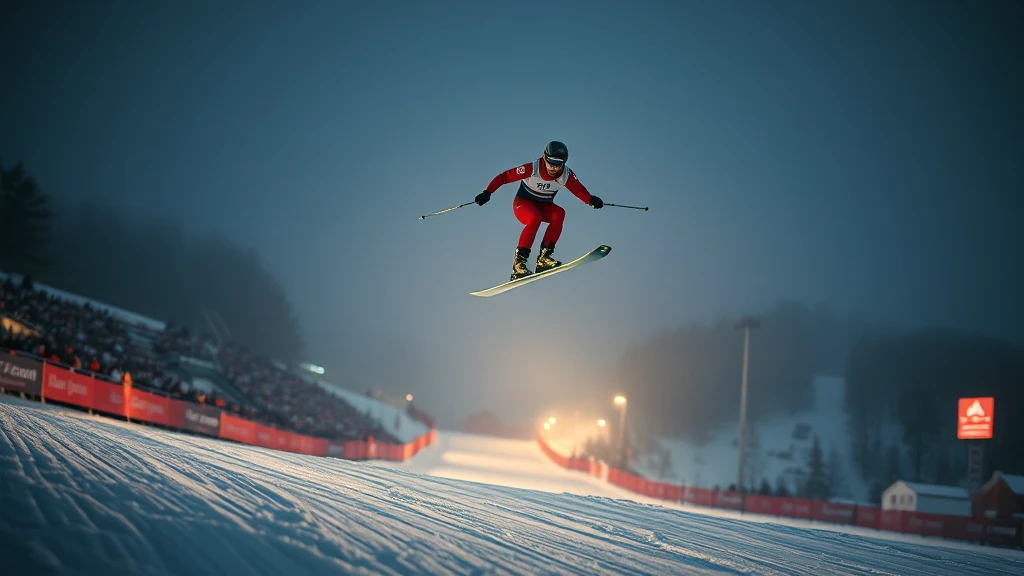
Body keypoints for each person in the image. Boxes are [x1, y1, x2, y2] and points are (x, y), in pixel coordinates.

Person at [475, 141, 603, 281]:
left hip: (543, 206)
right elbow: (504, 177)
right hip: (523, 204)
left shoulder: (565, 175)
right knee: (534, 218)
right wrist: (487, 192)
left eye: (559, 163)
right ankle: (519, 264)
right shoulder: (533, 168)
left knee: (559, 214)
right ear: (544, 157)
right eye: (551, 161)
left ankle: (544, 258)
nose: (554, 167)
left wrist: (591, 200)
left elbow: (579, 190)